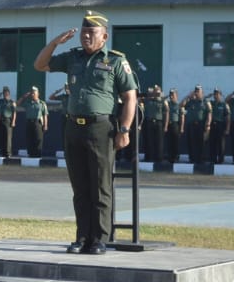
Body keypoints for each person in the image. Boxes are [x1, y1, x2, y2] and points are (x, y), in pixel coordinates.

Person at [35, 13, 137, 254]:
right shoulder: (73, 58)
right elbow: (39, 65)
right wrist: (54, 43)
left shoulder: (115, 62)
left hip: (101, 128)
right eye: (83, 33)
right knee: (80, 187)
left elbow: (130, 97)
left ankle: (100, 238)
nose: (86, 37)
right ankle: (82, 237)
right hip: (73, 127)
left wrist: (124, 129)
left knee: (100, 185)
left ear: (104, 37)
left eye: (91, 33)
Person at [183, 86, 209, 164]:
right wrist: (188, 96)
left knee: (200, 143)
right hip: (191, 125)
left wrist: (208, 125)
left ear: (202, 93)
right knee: (192, 142)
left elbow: (209, 113)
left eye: (198, 91)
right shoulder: (191, 102)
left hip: (201, 124)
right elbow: (181, 105)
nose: (197, 93)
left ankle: (200, 160)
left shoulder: (205, 102)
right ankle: (192, 159)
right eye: (196, 91)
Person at [21, 86, 48, 157]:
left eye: (34, 93)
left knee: (38, 139)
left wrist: (45, 125)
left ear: (38, 94)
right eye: (32, 93)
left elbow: (45, 115)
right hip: (29, 122)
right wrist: (24, 97)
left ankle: (38, 154)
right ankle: (30, 154)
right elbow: (17, 104)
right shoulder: (28, 103)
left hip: (38, 123)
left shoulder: (42, 103)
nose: (32, 94)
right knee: (29, 139)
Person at [142, 84, 166, 164]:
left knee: (159, 141)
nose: (155, 93)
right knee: (150, 140)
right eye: (154, 91)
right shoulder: (148, 100)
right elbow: (142, 98)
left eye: (156, 91)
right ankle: (150, 157)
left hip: (159, 121)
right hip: (149, 121)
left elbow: (166, 111)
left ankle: (159, 158)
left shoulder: (162, 100)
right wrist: (149, 94)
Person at [208, 89, 230, 163]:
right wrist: (209, 96)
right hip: (212, 125)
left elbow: (227, 117)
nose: (216, 96)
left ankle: (221, 160)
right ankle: (212, 159)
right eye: (215, 94)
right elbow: (203, 100)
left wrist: (227, 128)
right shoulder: (211, 103)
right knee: (212, 143)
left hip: (220, 125)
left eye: (218, 94)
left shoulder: (224, 105)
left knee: (221, 144)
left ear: (220, 95)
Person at [0, 86, 17, 158]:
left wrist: (13, 121)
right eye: (4, 92)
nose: (5, 94)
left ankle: (8, 152)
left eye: (7, 92)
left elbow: (14, 112)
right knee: (1, 137)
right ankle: (3, 152)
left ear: (9, 93)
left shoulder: (11, 102)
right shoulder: (0, 101)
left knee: (8, 137)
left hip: (8, 120)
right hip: (1, 120)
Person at [165, 89, 183, 161]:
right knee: (169, 142)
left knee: (176, 142)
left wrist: (181, 128)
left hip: (176, 124)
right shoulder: (167, 104)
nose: (171, 96)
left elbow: (182, 117)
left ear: (176, 96)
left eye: (173, 95)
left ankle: (176, 156)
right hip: (169, 124)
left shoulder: (179, 105)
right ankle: (170, 157)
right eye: (170, 95)